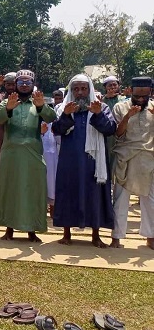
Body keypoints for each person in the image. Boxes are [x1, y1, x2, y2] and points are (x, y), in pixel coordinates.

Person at [52, 74, 116, 247]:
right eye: (76, 89)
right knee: (68, 192)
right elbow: (56, 130)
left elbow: (110, 129)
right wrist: (66, 115)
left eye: (83, 88)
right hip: (69, 160)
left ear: (89, 90)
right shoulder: (63, 108)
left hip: (93, 161)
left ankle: (96, 235)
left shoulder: (101, 107)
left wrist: (97, 115)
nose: (80, 93)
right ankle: (66, 234)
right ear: (72, 91)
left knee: (94, 194)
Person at [0, 70, 56, 242]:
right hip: (11, 154)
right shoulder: (7, 101)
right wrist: (7, 109)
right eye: (21, 82)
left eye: (28, 82)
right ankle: (9, 229)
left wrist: (41, 106)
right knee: (10, 190)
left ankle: (32, 231)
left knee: (33, 191)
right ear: (16, 84)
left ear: (33, 84)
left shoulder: (37, 102)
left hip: (33, 154)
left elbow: (52, 118)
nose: (24, 85)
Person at [111, 77, 154, 249]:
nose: (142, 99)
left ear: (150, 91)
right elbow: (117, 134)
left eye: (145, 95)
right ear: (131, 91)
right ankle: (116, 236)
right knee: (121, 200)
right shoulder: (120, 107)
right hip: (125, 159)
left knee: (150, 201)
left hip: (149, 160)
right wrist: (128, 116)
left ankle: (151, 237)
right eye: (138, 96)